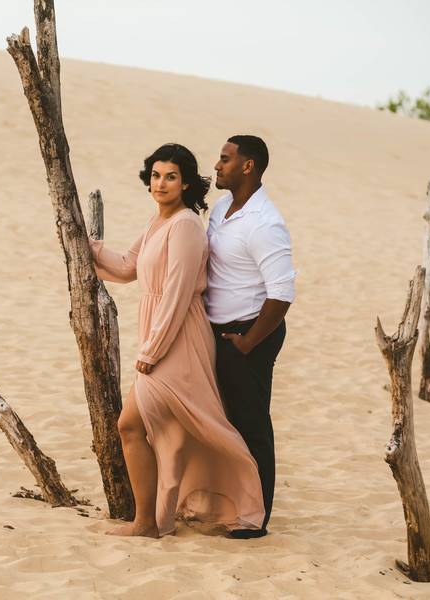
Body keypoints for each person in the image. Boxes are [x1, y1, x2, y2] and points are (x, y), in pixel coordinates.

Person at [90, 143, 265, 538]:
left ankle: (147, 523)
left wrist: (151, 351)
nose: (161, 183)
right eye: (155, 175)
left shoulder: (185, 225)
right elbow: (125, 267)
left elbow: (177, 293)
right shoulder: (157, 222)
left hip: (178, 340)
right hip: (158, 335)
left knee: (131, 425)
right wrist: (84, 245)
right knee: (162, 433)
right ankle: (153, 520)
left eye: (171, 176)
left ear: (186, 183)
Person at [207, 135, 296, 539]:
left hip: (249, 333)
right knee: (224, 421)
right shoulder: (223, 207)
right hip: (220, 331)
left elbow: (281, 293)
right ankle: (229, 503)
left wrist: (248, 342)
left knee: (251, 423)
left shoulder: (265, 222)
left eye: (225, 159)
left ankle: (255, 518)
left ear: (248, 166)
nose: (217, 165)